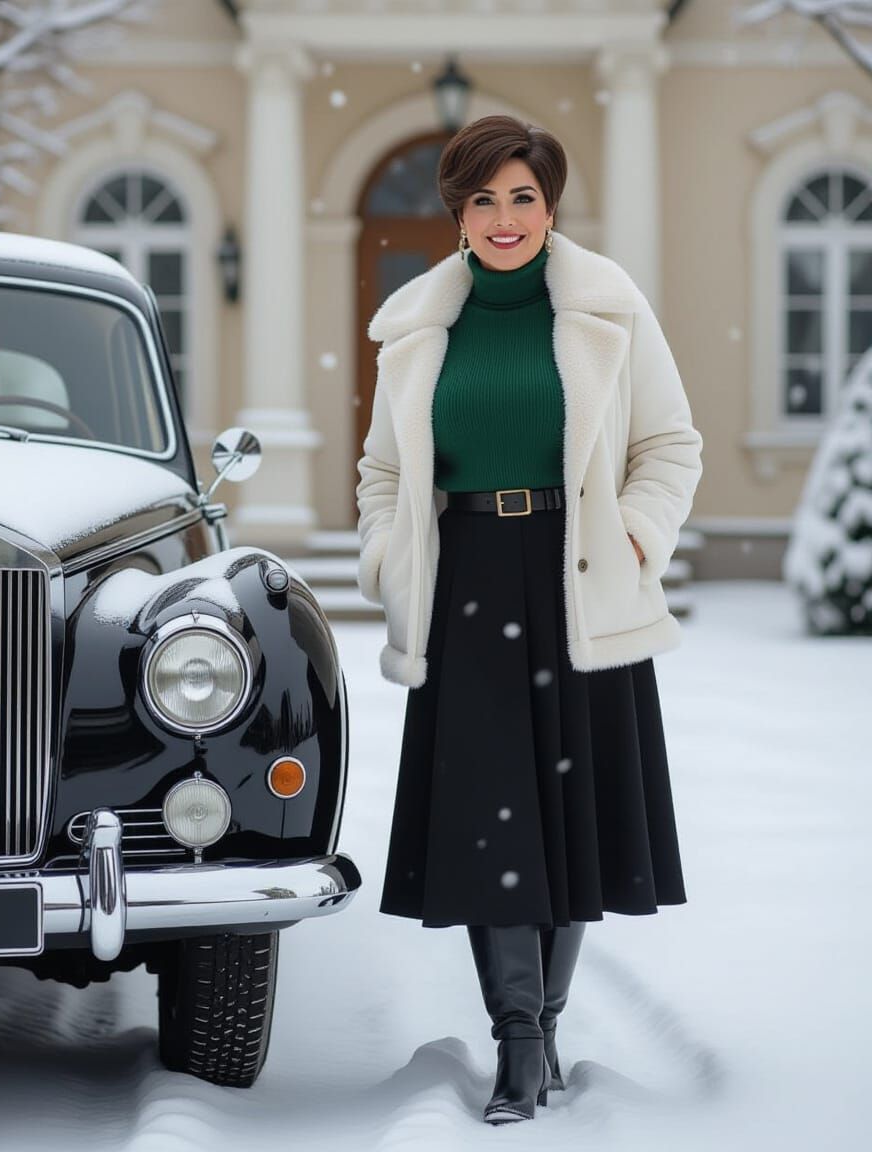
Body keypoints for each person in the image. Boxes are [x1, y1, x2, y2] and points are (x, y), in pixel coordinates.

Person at [355, 114, 703, 1125]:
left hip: (579, 576)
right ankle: (516, 1038)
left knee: (569, 809)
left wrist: (635, 536)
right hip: (466, 580)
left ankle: (542, 1022)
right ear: (457, 213)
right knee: (488, 815)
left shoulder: (607, 307)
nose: (503, 218)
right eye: (483, 199)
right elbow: (381, 472)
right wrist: (386, 558)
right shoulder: (417, 327)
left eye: (522, 197)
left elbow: (668, 444)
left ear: (549, 208)